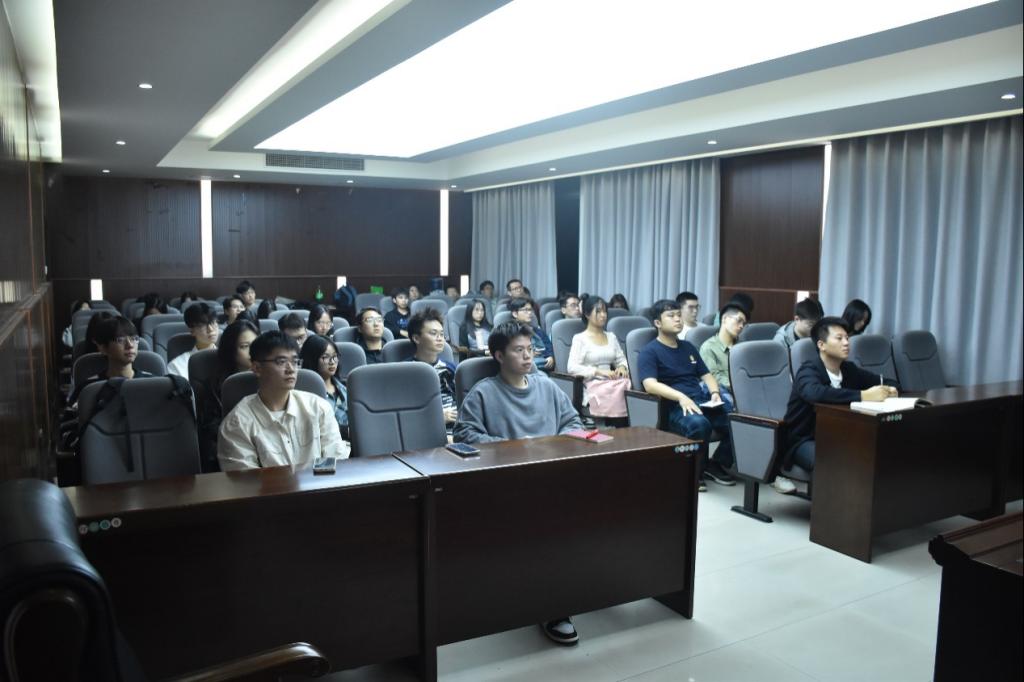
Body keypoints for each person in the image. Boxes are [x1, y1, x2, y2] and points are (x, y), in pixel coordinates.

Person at [454, 320, 583, 645]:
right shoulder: (484, 392)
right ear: (499, 355)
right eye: (518, 350)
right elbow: (464, 435)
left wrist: (554, 445)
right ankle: (554, 608)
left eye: (530, 349)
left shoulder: (546, 386)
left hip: (552, 476)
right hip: (507, 482)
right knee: (550, 528)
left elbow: (573, 421)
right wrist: (516, 447)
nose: (528, 356)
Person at [638, 299, 736, 491]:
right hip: (673, 406)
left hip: (700, 400)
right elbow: (650, 385)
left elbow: (707, 375)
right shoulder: (649, 352)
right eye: (671, 316)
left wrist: (715, 393)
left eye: (678, 315)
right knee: (699, 425)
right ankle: (693, 473)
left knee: (736, 422)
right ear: (657, 323)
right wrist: (681, 397)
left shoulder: (688, 347)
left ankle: (716, 464)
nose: (677, 319)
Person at [218, 331, 350, 470]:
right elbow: (247, 479)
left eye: (295, 362)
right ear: (257, 368)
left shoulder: (318, 407)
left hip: (320, 483)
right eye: (281, 362)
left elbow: (336, 462)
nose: (291, 369)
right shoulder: (237, 423)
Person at [781, 317, 897, 472]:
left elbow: (886, 381)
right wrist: (863, 395)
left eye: (847, 338)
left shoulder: (849, 369)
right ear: (821, 345)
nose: (846, 342)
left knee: (881, 450)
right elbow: (815, 393)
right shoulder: (808, 370)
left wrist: (890, 389)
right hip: (804, 440)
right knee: (834, 459)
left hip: (838, 434)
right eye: (839, 338)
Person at [192, 319, 259, 472]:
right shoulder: (216, 385)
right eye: (244, 346)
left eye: (255, 345)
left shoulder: (270, 378)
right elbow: (212, 432)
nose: (252, 352)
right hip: (234, 452)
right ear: (231, 350)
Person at [567, 296, 630, 420]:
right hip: (591, 382)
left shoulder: (611, 337)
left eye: (605, 311)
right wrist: (597, 371)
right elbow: (572, 367)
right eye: (598, 311)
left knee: (627, 385)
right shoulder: (580, 339)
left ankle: (621, 422)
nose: (603, 315)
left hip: (612, 381)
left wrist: (622, 367)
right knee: (608, 391)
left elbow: (621, 359)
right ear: (587, 314)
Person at [68, 317, 154, 405]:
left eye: (134, 339)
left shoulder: (152, 382)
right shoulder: (88, 388)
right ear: (103, 348)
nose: (130, 345)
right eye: (120, 340)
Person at [407, 309, 458, 429]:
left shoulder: (450, 368)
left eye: (442, 334)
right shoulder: (406, 371)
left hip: (458, 426)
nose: (440, 338)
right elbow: (405, 412)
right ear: (416, 338)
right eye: (433, 333)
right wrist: (437, 418)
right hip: (426, 428)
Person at [300, 334, 349, 439]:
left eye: (335, 356)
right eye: (325, 357)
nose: (332, 362)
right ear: (312, 359)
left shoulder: (345, 388)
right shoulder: (305, 394)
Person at [698, 303, 746, 395]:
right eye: (739, 321)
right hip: (724, 394)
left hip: (746, 392)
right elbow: (713, 378)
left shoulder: (742, 347)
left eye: (743, 323)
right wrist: (741, 386)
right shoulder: (709, 347)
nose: (741, 326)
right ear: (724, 319)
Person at [168, 302, 220, 380]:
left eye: (213, 323)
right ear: (192, 331)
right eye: (202, 325)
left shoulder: (229, 357)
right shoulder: (178, 365)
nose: (211, 329)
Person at [508, 297, 553, 371]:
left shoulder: (537, 331)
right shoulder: (510, 331)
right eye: (525, 310)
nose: (530, 313)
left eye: (530, 310)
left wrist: (550, 356)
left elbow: (548, 345)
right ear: (515, 314)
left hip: (541, 364)